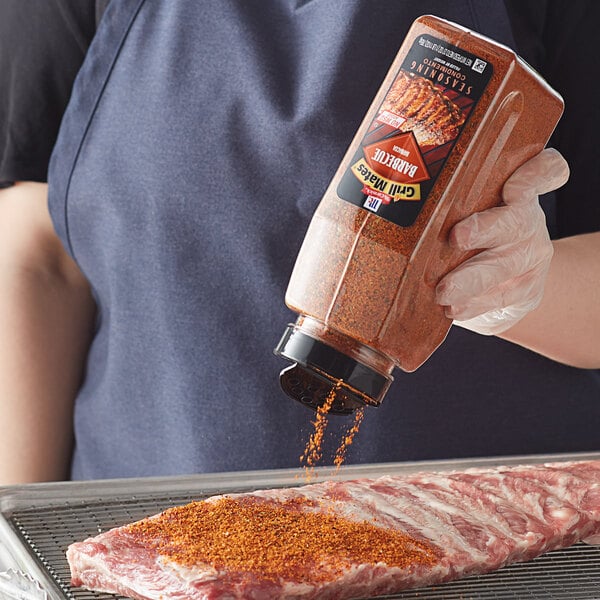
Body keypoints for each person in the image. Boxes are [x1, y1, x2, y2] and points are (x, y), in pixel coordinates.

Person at [0, 0, 598, 485]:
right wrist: (14, 537)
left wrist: (520, 291)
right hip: (130, 528)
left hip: (479, 535)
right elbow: (39, 255)